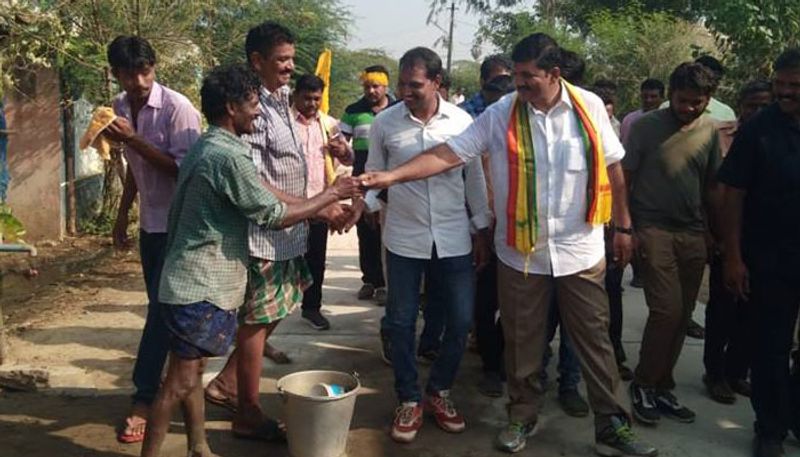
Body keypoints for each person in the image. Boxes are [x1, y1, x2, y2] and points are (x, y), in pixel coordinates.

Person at [360, 32, 656, 457]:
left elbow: (614, 168)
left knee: (594, 340)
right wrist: (390, 177)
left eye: (527, 77)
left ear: (554, 74)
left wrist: (624, 227)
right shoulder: (501, 114)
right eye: (516, 77)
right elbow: (449, 154)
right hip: (521, 253)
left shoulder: (589, 107)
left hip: (579, 250)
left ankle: (611, 423)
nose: (519, 85)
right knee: (522, 342)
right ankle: (521, 417)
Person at [139, 63, 360, 457]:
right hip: (198, 288)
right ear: (231, 107)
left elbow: (269, 200)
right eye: (253, 104)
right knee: (176, 384)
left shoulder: (209, 146)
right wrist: (330, 195)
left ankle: (199, 445)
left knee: (190, 376)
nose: (259, 112)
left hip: (187, 283)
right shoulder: (228, 157)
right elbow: (273, 215)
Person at [203, 21, 352, 440]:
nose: (289, 68)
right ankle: (246, 411)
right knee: (256, 320)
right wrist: (318, 206)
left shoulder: (284, 101)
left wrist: (324, 191)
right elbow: (252, 177)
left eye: (291, 58)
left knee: (283, 303)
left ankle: (227, 383)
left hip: (290, 231)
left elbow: (295, 163)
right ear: (257, 61)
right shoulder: (254, 108)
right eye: (281, 60)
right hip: (264, 233)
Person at [358, 47, 491, 444]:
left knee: (462, 320)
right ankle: (409, 398)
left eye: (414, 84)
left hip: (453, 238)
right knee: (399, 323)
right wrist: (360, 207)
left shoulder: (462, 122)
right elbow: (374, 175)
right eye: (401, 83)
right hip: (403, 238)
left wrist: (481, 228)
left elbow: (475, 183)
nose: (405, 91)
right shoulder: (385, 123)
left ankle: (439, 391)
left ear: (436, 82)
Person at [103, 35, 202, 444]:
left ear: (154, 67)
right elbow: (135, 171)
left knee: (162, 314)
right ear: (117, 74)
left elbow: (186, 171)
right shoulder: (120, 107)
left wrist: (134, 140)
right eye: (130, 73)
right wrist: (123, 214)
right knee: (161, 313)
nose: (140, 80)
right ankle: (178, 386)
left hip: (180, 225)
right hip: (150, 224)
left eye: (146, 70)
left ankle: (145, 397)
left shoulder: (178, 109)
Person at [624, 62, 722, 426]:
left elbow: (712, 186)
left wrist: (715, 233)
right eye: (682, 101)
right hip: (652, 228)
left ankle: (663, 385)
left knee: (682, 316)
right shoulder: (646, 127)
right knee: (665, 310)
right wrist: (625, 228)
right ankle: (643, 384)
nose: (688, 108)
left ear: (708, 100)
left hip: (693, 233)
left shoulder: (710, 131)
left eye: (697, 102)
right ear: (670, 95)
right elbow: (626, 177)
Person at [718, 48, 800, 457]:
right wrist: (733, 257)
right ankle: (769, 428)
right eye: (780, 85)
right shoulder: (758, 130)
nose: (784, 93)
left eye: (794, 87)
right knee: (771, 346)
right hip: (770, 258)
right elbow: (733, 194)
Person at [703, 79, 772, 404]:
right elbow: (712, 190)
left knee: (752, 312)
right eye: (751, 105)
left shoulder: (776, 135)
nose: (757, 111)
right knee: (722, 310)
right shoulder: (717, 135)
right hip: (724, 237)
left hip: (763, 237)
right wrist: (715, 237)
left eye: (764, 105)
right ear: (740, 105)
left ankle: (736, 372)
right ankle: (714, 373)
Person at [293, 74, 354, 331]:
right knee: (284, 259)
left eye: (316, 99)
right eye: (306, 98)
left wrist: (343, 151)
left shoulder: (329, 124)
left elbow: (349, 160)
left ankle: (311, 308)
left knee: (316, 258)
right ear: (295, 96)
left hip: (320, 204)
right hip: (291, 204)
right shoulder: (284, 123)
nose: (311, 103)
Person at [591, 79, 634, 381]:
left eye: (608, 114)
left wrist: (622, 228)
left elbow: (621, 181)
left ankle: (615, 352)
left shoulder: (616, 132)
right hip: (588, 229)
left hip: (610, 229)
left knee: (612, 293)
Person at [340, 65, 393, 304]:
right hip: (361, 180)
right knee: (365, 229)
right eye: (367, 86)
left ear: (386, 86)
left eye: (376, 86)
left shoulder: (397, 110)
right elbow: (343, 148)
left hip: (391, 179)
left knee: (386, 230)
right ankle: (369, 280)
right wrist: (341, 150)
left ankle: (385, 283)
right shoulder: (353, 111)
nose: (371, 91)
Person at [620, 79, 665, 144]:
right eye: (645, 96)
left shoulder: (667, 120)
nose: (649, 100)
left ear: (662, 98)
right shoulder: (629, 120)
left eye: (653, 97)